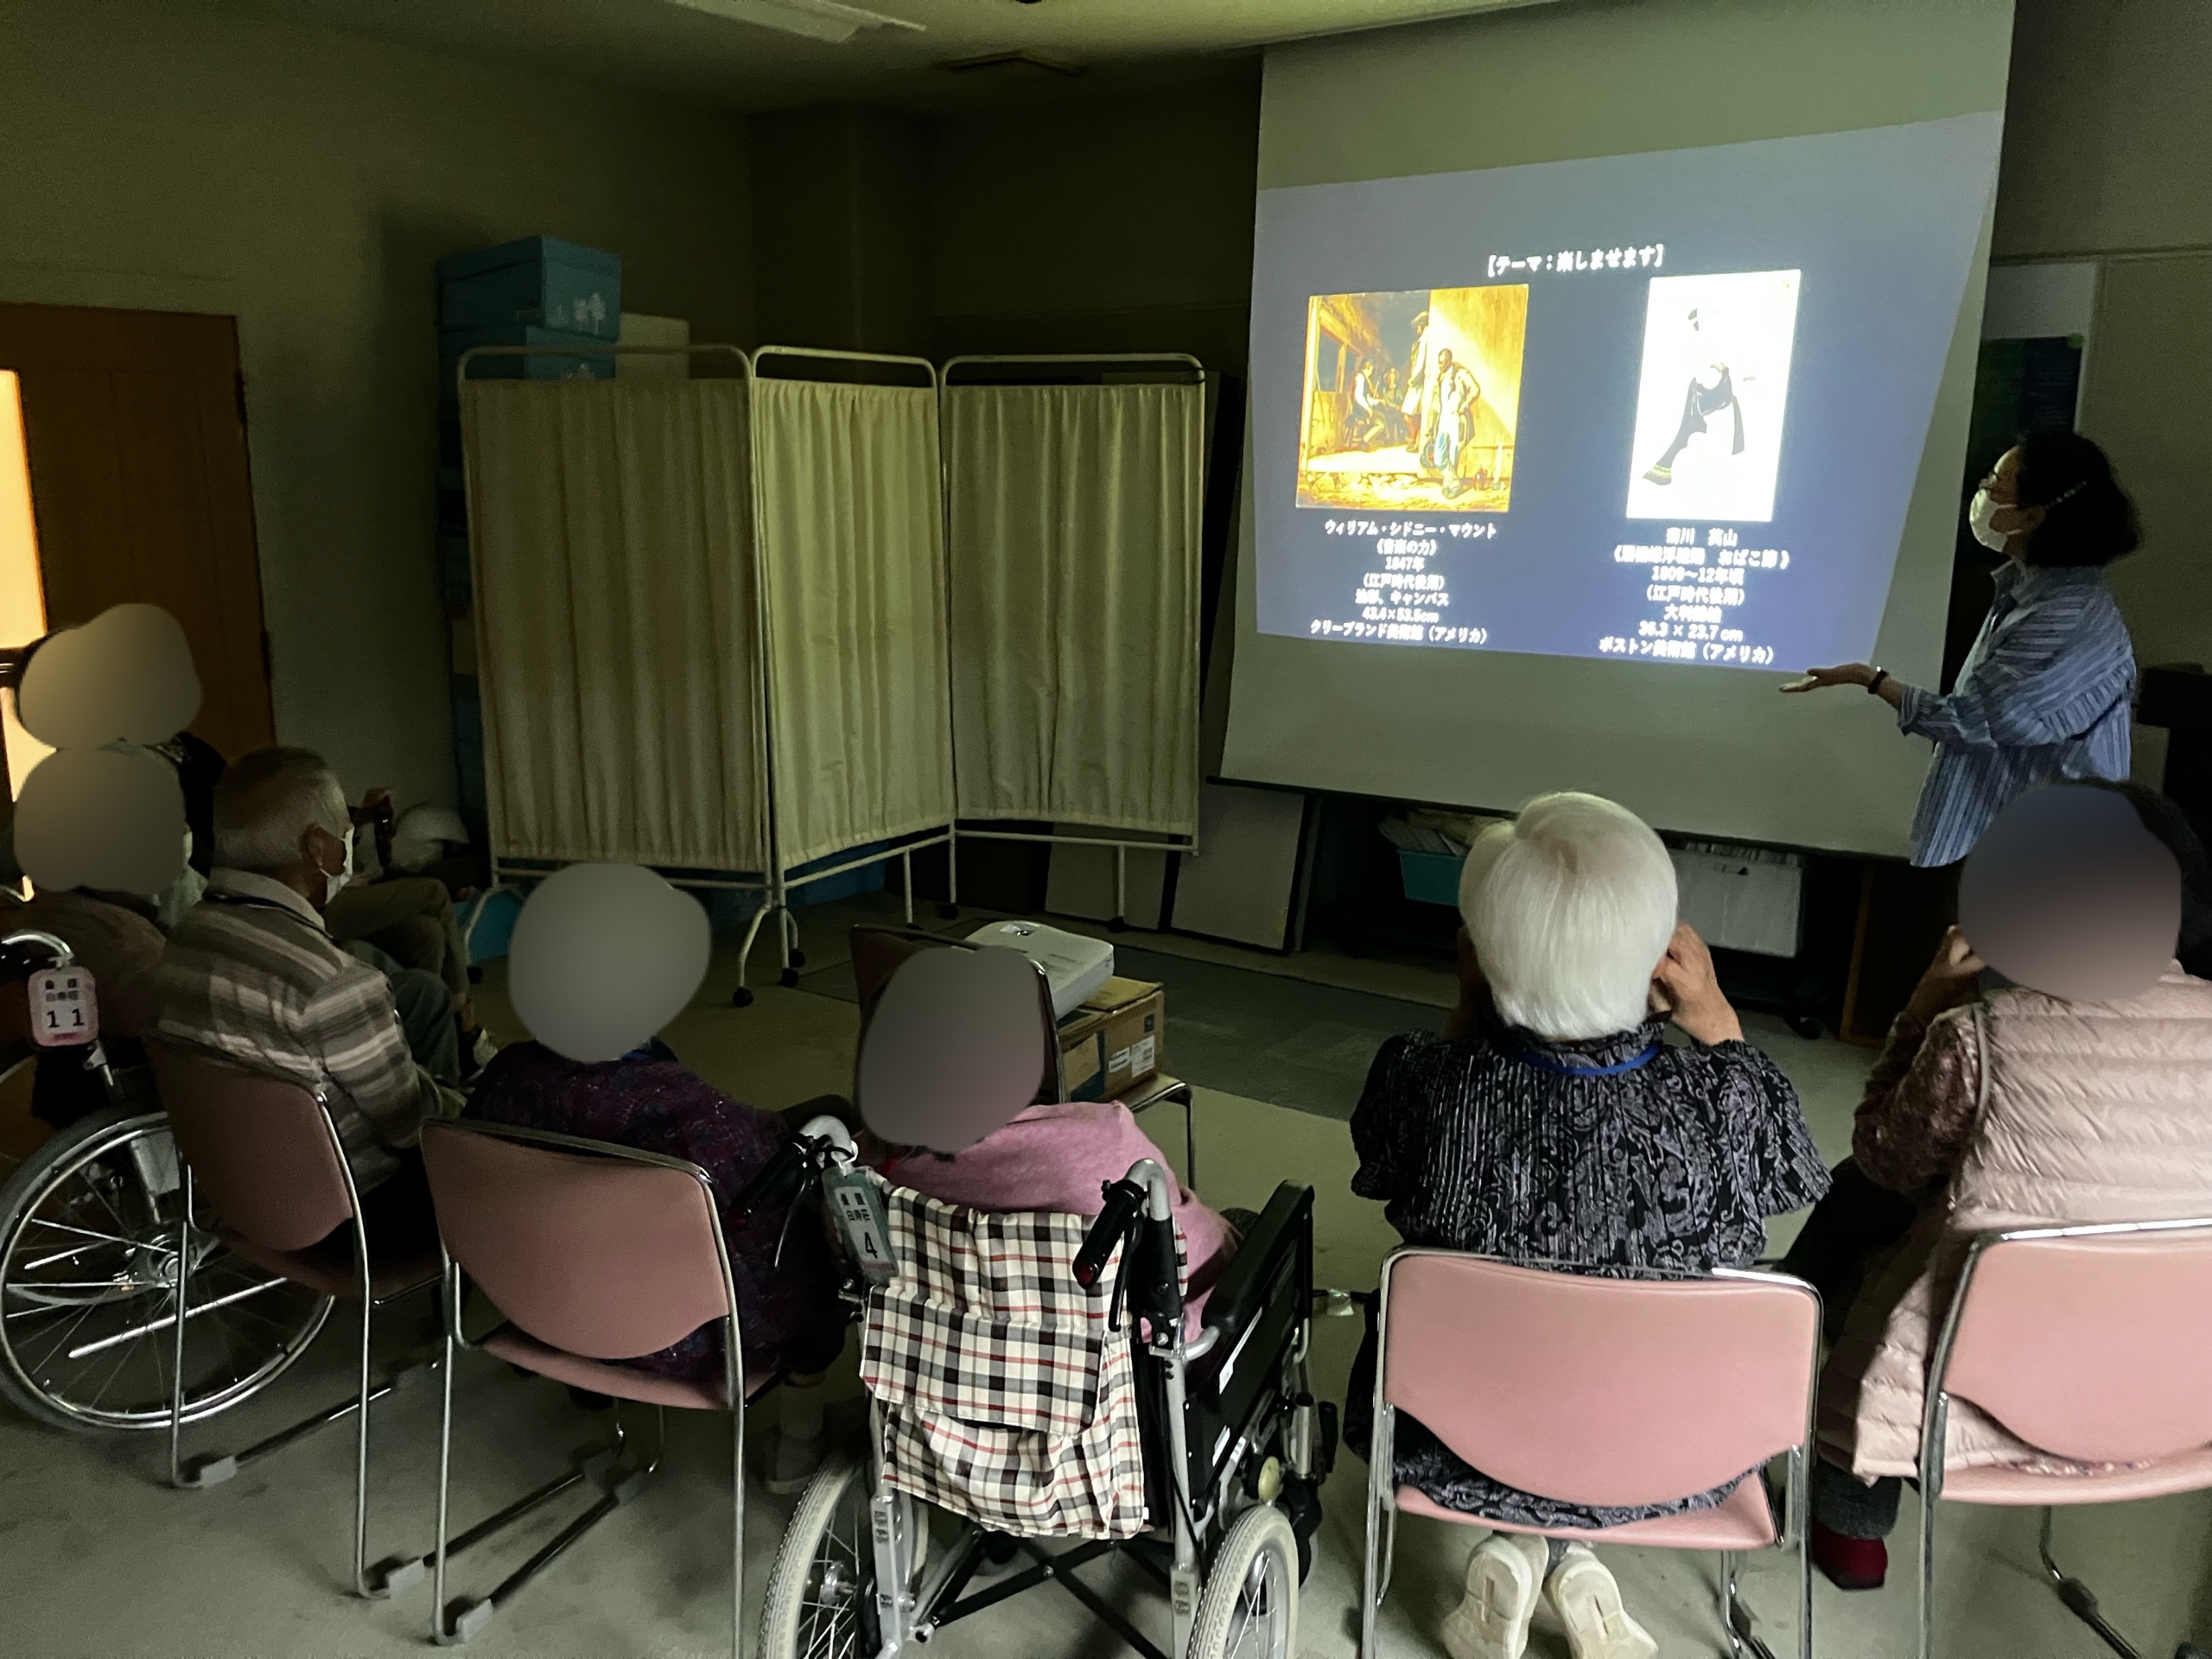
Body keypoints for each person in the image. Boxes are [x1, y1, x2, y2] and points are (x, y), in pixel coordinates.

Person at [1348, 791, 1829, 1659]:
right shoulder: (1728, 1097)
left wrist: (1467, 1010)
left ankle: (1518, 1542)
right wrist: (1717, 1021)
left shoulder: (1419, 1081)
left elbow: (1384, 1175)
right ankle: (1570, 1553)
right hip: (1677, 1450)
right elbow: (1787, 1176)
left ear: (1475, 956)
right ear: (1661, 960)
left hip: (1448, 1442)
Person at [1789, 780, 2212, 1592]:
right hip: (2179, 1389)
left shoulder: (1981, 1039)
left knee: (1866, 1225)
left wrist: (1926, 1007)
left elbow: (1886, 1156)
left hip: (1987, 1388)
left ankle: (1851, 1524)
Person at [464, 863, 845, 1492]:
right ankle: (798, 1447)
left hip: (533, 1303)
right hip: (682, 1344)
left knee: (807, 1119)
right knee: (826, 1246)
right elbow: (770, 1262)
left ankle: (581, 1382)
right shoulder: (696, 1122)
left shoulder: (503, 1076)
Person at [1783, 431, 2140, 874]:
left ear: (2032, 515)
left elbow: (1975, 720)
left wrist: (1872, 680)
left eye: (1996, 485)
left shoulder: (2063, 618)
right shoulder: (2030, 593)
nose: (1984, 493)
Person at [156, 747, 462, 1205]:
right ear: (318, 847)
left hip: (234, 1192)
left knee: (420, 993)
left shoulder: (185, 939)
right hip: (356, 1214)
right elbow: (411, 1127)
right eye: (344, 832)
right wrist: (474, 1106)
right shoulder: (335, 984)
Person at [877, 1096, 1240, 1334]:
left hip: (998, 1379)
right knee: (1241, 1221)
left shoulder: (888, 1185)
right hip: (1160, 1364)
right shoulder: (1106, 1137)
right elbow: (1195, 1240)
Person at [1421, 348, 1482, 499]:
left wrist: (1465, 404)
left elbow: (1475, 389)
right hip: (1442, 423)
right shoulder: (1440, 378)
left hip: (1456, 423)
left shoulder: (1461, 374)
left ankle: (1450, 487)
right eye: (1439, 363)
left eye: (1443, 362)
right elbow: (1435, 404)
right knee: (1439, 458)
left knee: (1453, 457)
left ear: (1449, 360)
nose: (1440, 365)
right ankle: (1455, 483)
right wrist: (1430, 427)